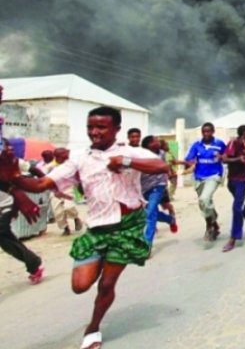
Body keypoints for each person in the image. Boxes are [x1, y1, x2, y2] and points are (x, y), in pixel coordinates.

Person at [13, 106, 168, 349]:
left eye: (101, 127)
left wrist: (125, 161)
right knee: (80, 286)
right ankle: (102, 266)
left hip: (127, 225)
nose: (94, 132)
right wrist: (13, 179)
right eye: (90, 127)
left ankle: (93, 328)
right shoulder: (79, 158)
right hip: (97, 226)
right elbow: (42, 182)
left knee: (107, 284)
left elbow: (162, 168)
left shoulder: (131, 152)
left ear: (116, 129)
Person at [0, 139, 45, 285]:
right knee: (5, 240)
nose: (9, 150)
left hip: (4, 203)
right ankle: (33, 263)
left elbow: (33, 168)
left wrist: (46, 182)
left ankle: (34, 264)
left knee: (2, 234)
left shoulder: (10, 159)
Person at [178, 122, 226, 242]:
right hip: (199, 178)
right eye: (204, 132)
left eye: (208, 131)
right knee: (204, 203)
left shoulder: (219, 144)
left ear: (213, 132)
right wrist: (188, 163)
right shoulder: (196, 145)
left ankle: (209, 226)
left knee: (204, 199)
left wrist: (222, 157)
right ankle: (214, 224)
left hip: (214, 176)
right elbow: (189, 159)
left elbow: (226, 157)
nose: (206, 134)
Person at [140, 135, 178, 247]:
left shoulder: (161, 153)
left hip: (158, 186)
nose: (157, 142)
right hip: (144, 187)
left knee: (151, 212)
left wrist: (169, 174)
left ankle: (147, 245)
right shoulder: (141, 154)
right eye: (154, 141)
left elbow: (164, 166)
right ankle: (170, 219)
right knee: (151, 212)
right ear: (149, 145)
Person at [221, 124, 245, 252]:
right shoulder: (233, 143)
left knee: (236, 206)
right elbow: (225, 160)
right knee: (239, 205)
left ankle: (233, 237)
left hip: (243, 180)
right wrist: (239, 159)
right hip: (232, 180)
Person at [47, 147, 83, 235]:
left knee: (69, 207)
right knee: (58, 212)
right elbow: (47, 180)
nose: (66, 158)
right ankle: (65, 228)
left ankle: (76, 218)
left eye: (67, 156)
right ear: (57, 157)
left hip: (68, 188)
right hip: (55, 190)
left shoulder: (72, 165)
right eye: (63, 157)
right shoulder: (50, 167)